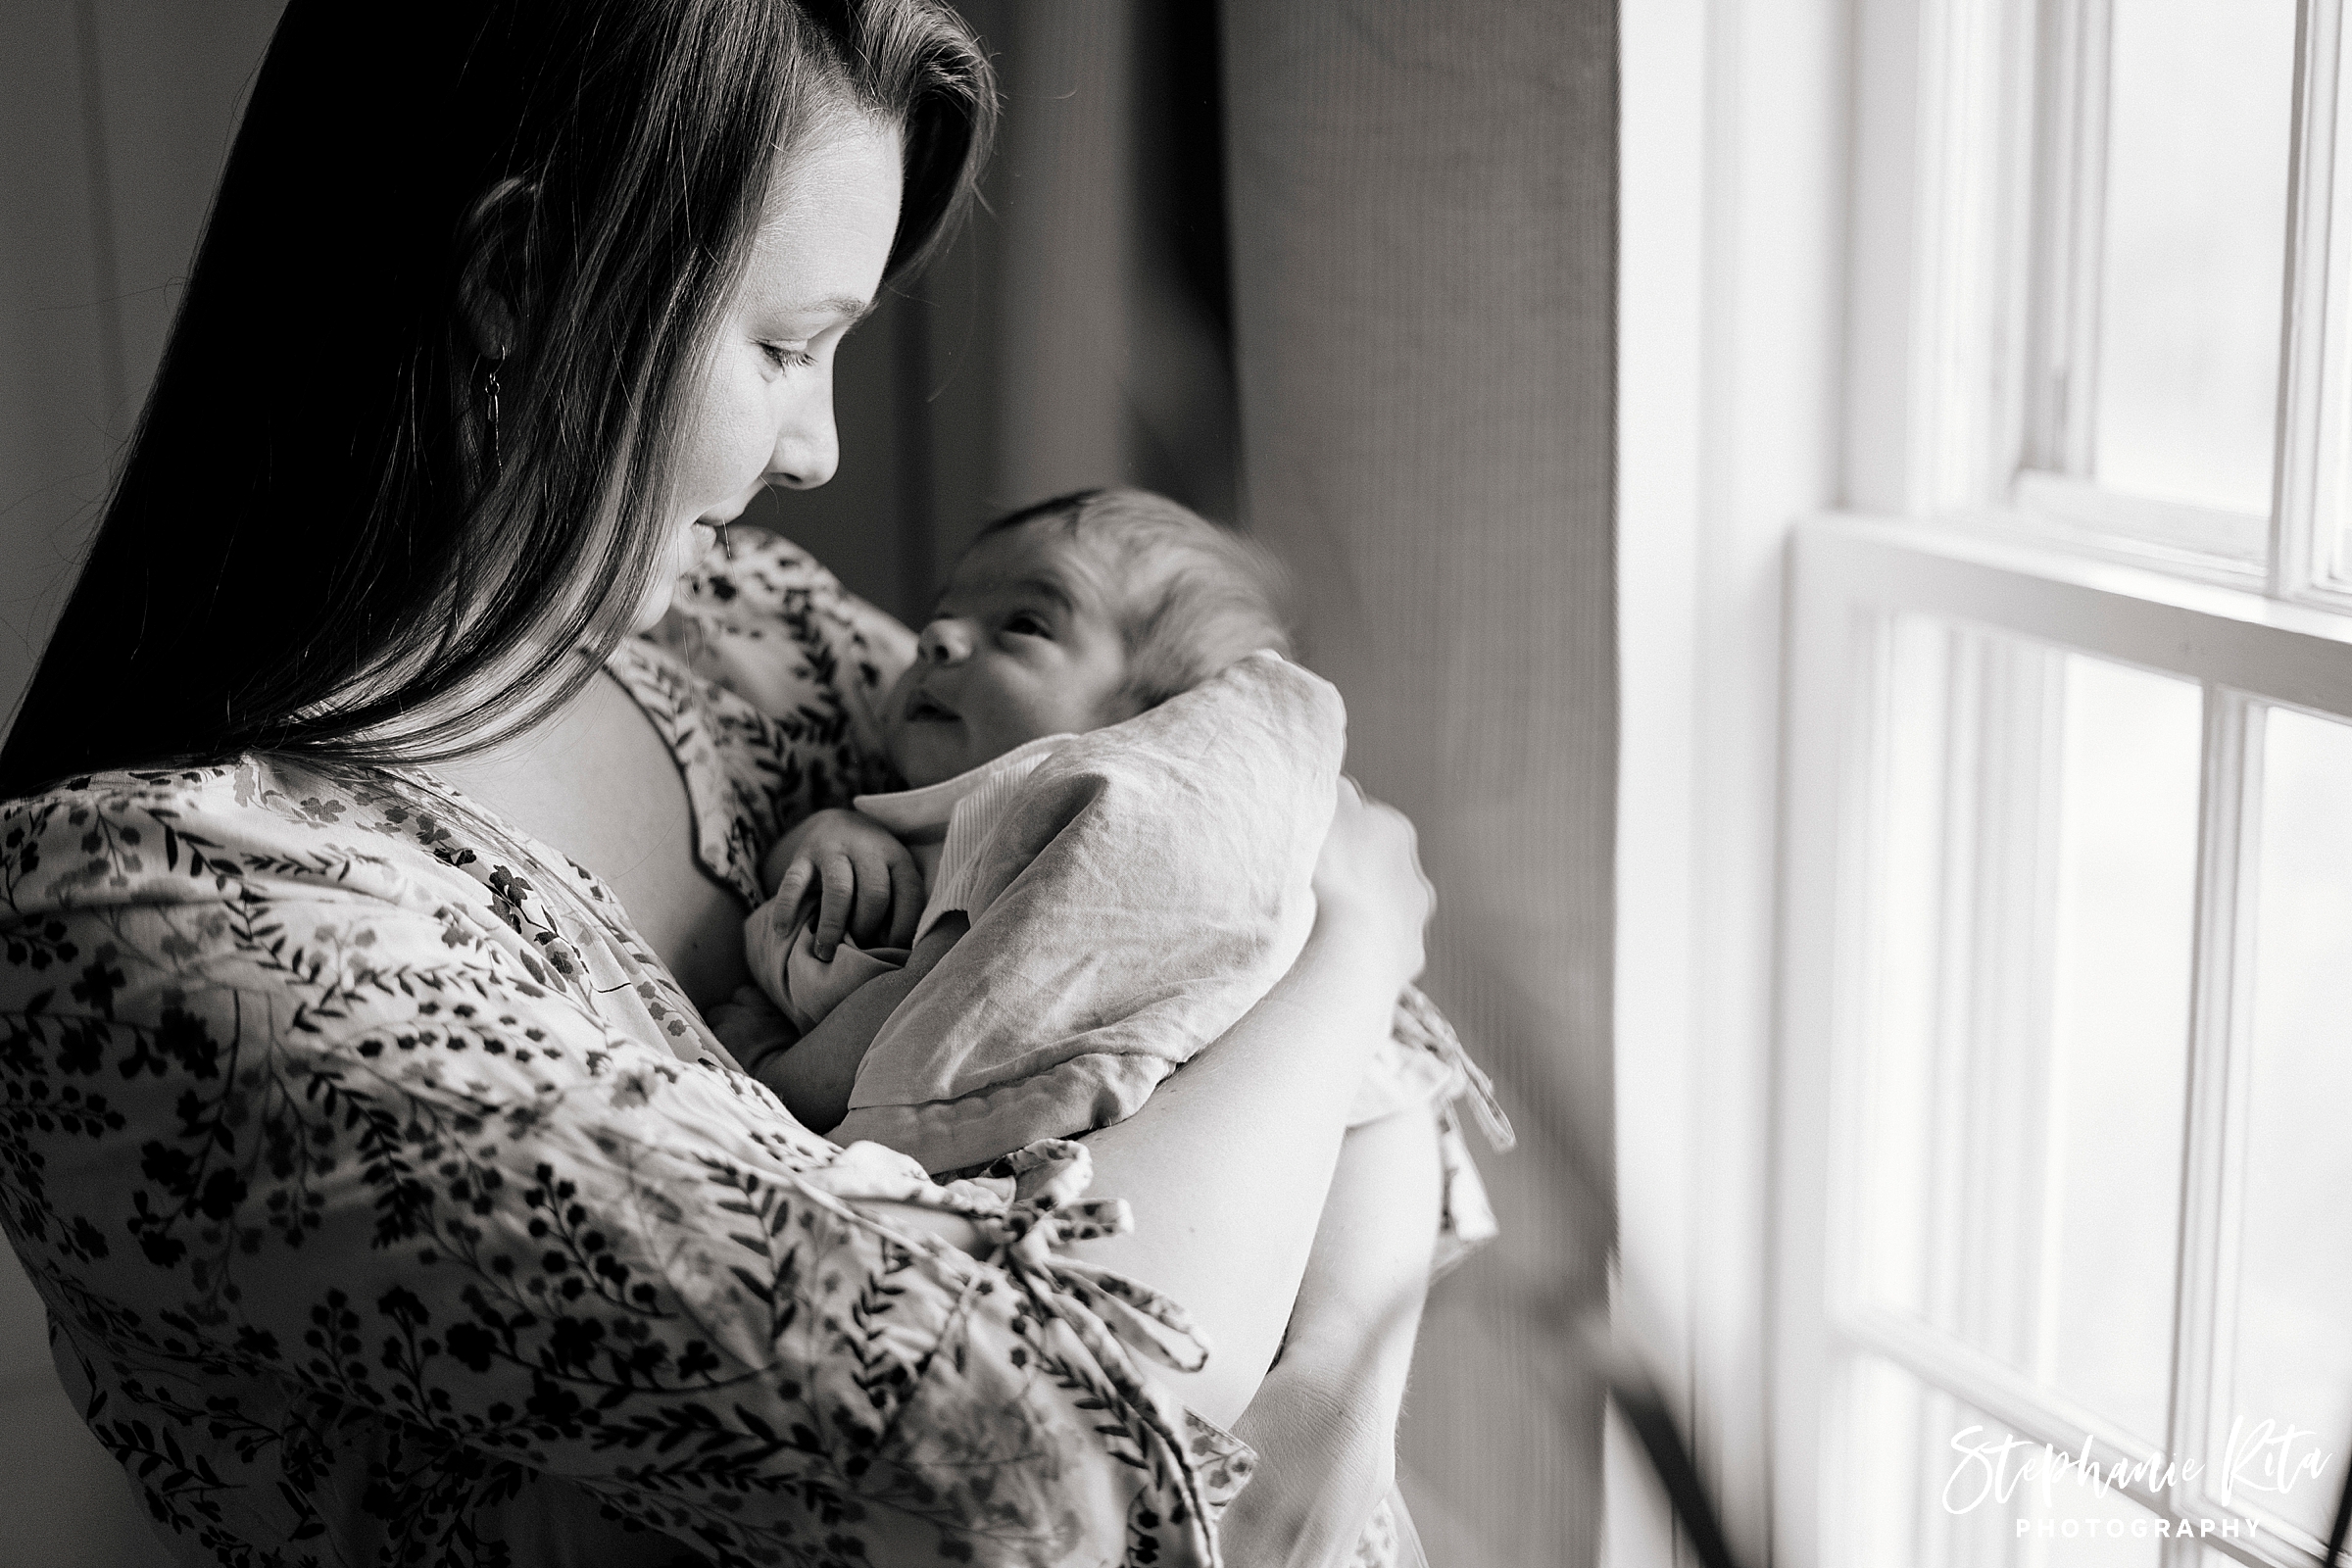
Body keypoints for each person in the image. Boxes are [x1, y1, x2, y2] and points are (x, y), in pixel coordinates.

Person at [0, 4, 1443, 1566]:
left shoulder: (747, 632)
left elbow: (1365, 1017)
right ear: (516, 283)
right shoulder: (150, 914)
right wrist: (1357, 945)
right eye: (784, 346)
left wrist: (1333, 1400)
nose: (818, 450)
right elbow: (1033, 1474)